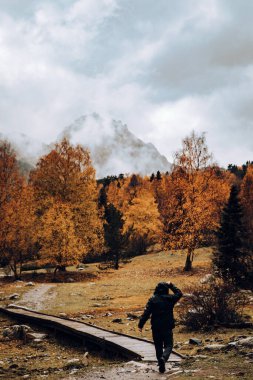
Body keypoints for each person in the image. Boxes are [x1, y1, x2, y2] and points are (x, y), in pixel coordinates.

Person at [138, 281, 182, 373]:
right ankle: (164, 358)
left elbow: (146, 313)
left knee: (158, 346)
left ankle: (161, 365)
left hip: (156, 326)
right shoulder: (170, 298)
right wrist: (171, 285)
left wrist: (140, 324)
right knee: (169, 345)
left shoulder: (153, 299)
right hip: (167, 326)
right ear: (166, 289)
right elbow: (179, 293)